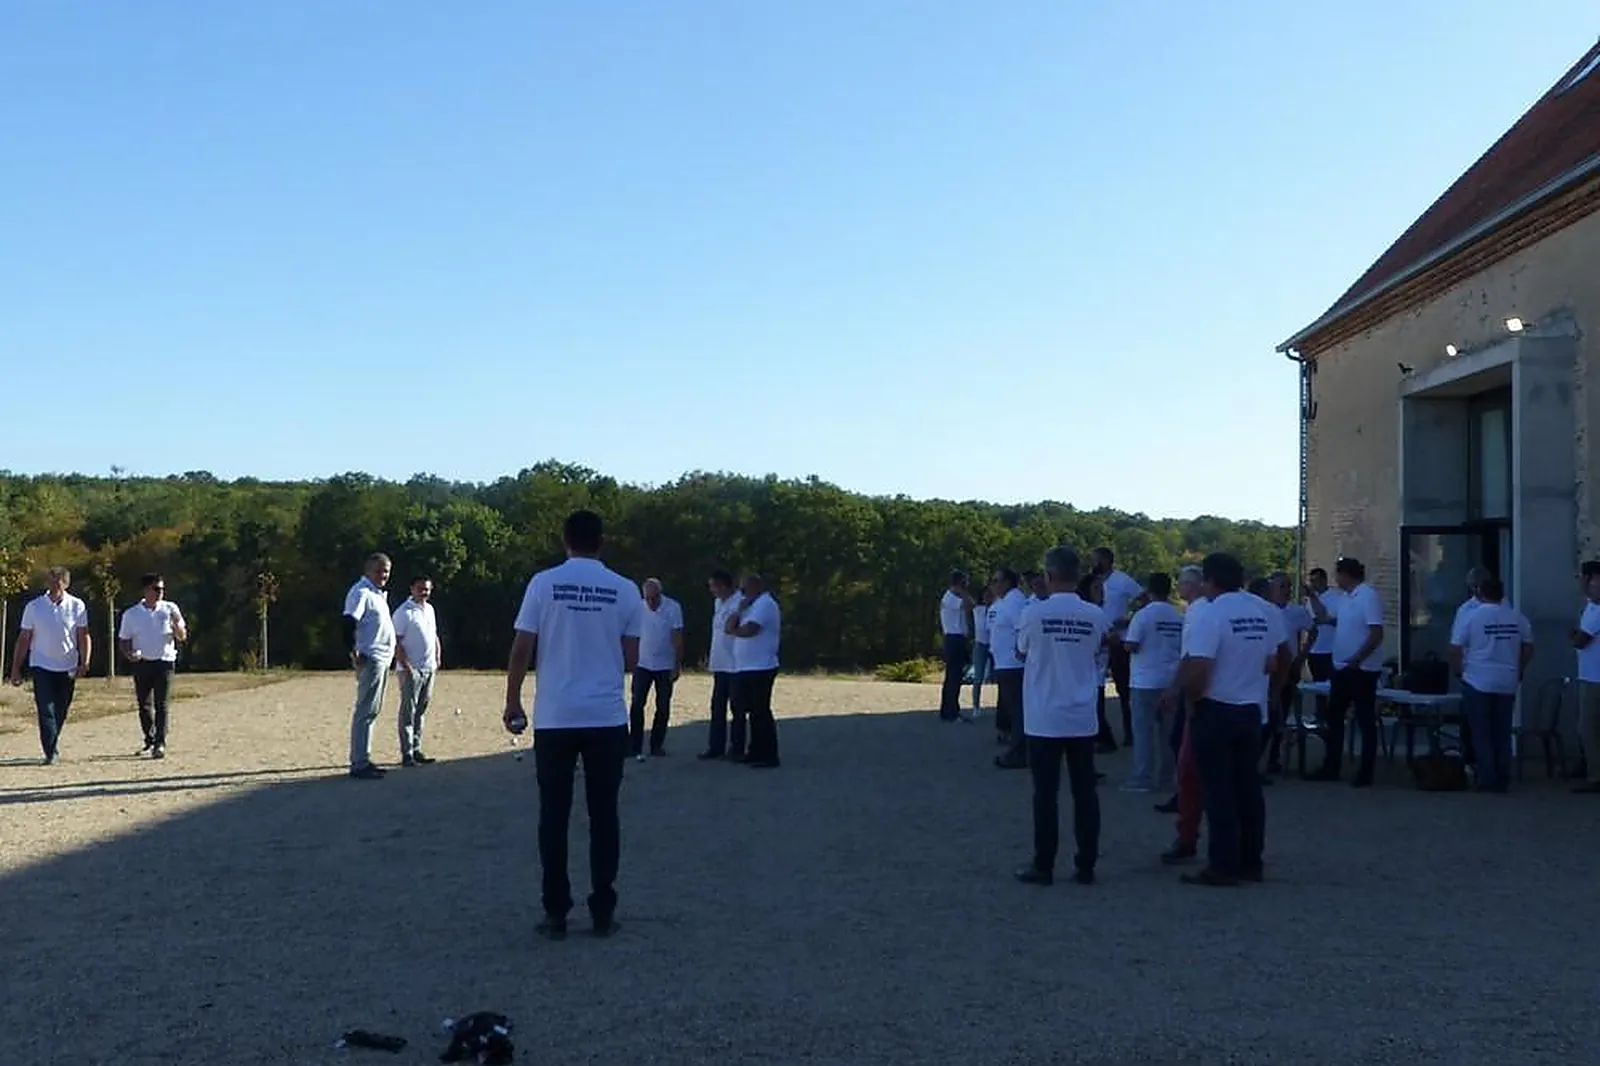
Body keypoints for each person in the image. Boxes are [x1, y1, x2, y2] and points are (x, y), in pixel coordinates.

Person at [505, 510, 642, 940]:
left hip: (556, 715)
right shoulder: (625, 589)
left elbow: (522, 646)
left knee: (554, 815)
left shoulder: (543, 583)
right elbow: (632, 658)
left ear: (565, 540)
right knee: (604, 814)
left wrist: (512, 700)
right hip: (605, 716)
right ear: (602, 541)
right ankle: (602, 909)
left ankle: (556, 912)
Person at [1177, 552, 1287, 886]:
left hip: (1217, 707)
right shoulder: (1261, 612)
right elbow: (1274, 661)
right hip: (1250, 708)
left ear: (1210, 580)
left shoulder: (1210, 614)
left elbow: (1199, 667)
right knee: (1248, 789)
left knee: (1218, 791)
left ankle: (1222, 864)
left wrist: (1192, 702)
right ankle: (1251, 861)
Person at [1013, 547, 1107, 887]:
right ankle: (1086, 865)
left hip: (1044, 715)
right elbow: (1098, 650)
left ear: (1049, 576)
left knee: (1045, 794)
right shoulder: (1095, 614)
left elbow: (1020, 650)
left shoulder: (1033, 613)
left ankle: (1044, 864)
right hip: (1081, 714)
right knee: (1085, 793)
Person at [1450, 575, 1532, 793]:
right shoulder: (1516, 616)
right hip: (1507, 680)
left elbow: (1456, 648)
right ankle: (1503, 778)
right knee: (1502, 733)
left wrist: (1459, 670)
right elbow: (1528, 645)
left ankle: (1487, 779)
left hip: (1478, 679)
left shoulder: (1472, 617)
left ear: (1480, 593)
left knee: (1481, 733)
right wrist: (1519, 668)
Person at [1312, 557, 1385, 786]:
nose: (1336, 579)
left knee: (1364, 719)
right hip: (1341, 667)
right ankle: (1331, 765)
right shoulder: (1344, 598)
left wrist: (1359, 658)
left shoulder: (1367, 596)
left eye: (1338, 574)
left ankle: (1366, 771)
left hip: (1362, 669)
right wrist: (1312, 597)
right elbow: (1327, 619)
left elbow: (1376, 632)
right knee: (1334, 716)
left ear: (1347, 575)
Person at [8, 566, 91, 765]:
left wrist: (85, 661)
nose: (54, 585)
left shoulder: (77, 606)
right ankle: (51, 751)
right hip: (41, 664)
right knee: (45, 708)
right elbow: (24, 638)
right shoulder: (34, 607)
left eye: (58, 581)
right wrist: (15, 668)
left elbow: (83, 635)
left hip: (67, 664)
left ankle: (52, 740)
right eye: (51, 580)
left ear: (66, 583)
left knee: (61, 708)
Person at [1159, 565, 1208, 861]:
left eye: (1184, 583)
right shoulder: (1198, 611)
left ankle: (1188, 830)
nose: (1179, 588)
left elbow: (1192, 658)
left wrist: (1178, 690)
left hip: (1200, 698)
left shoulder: (1199, 613)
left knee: (1187, 759)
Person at [1121, 572, 1183, 793]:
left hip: (1145, 680)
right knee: (1168, 733)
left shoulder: (1143, 615)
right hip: (1171, 679)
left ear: (1149, 590)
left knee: (1143, 732)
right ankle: (1167, 777)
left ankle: (1142, 777)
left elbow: (1132, 645)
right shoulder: (1178, 616)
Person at [116, 572, 188, 759]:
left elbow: (182, 636)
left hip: (165, 661)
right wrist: (129, 654)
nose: (160, 592)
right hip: (142, 663)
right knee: (144, 705)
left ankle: (160, 743)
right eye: (156, 589)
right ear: (146, 590)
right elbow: (123, 640)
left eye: (162, 589)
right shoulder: (132, 614)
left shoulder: (170, 609)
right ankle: (150, 738)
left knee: (161, 704)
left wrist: (177, 627)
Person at [343, 552, 396, 780]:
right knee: (365, 710)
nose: (383, 575)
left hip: (382, 658)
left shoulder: (377, 594)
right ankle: (359, 763)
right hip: (370, 657)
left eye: (386, 571)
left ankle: (364, 757)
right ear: (367, 570)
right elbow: (348, 622)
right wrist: (353, 650)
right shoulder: (361, 592)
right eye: (379, 570)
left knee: (372, 710)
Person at [727, 573, 782, 768]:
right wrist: (738, 611)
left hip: (761, 666)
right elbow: (728, 627)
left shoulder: (765, 604)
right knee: (750, 711)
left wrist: (735, 630)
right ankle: (755, 751)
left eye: (744, 589)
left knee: (761, 711)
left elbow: (750, 630)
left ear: (755, 587)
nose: (742, 593)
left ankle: (769, 755)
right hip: (745, 667)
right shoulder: (748, 606)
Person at [1092, 548, 1145, 748]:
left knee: (1124, 689)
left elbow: (1144, 600)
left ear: (1106, 560)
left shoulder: (1122, 580)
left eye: (1096, 560)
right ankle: (1101, 734)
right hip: (1099, 639)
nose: (1094, 563)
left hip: (1119, 639)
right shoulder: (1093, 581)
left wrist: (1130, 620)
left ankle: (1131, 732)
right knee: (1096, 687)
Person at [1264, 572, 1313, 777]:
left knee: (1281, 711)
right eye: (1281, 587)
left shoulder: (1296, 612)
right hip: (1267, 668)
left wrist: (1302, 656)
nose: (1285, 591)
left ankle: (1274, 757)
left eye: (1288, 587)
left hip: (1288, 667)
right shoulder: (1265, 610)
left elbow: (1313, 630)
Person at [630, 578, 684, 761]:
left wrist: (676, 665)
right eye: (648, 598)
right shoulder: (638, 608)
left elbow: (677, 637)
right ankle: (634, 745)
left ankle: (656, 745)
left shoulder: (673, 608)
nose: (651, 602)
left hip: (665, 664)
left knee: (663, 706)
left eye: (654, 598)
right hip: (642, 663)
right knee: (637, 704)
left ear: (661, 594)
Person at [392, 575, 442, 767]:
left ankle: (416, 748)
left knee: (421, 710)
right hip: (410, 670)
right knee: (408, 711)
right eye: (420, 589)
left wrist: (437, 656)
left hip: (429, 667)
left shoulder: (429, 609)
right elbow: (396, 642)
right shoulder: (403, 613)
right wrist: (406, 666)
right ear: (412, 588)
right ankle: (407, 753)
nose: (424, 592)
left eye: (427, 589)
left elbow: (434, 635)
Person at [699, 569, 745, 760]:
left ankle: (737, 748)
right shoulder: (718, 602)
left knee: (737, 708)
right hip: (719, 663)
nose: (712, 590)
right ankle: (715, 746)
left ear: (723, 585)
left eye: (713, 586)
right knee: (717, 707)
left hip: (735, 663)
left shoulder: (740, 601)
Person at [989, 568, 1029, 769]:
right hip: (1005, 664)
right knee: (1014, 710)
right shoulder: (1005, 602)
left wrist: (1020, 650)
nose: (993, 584)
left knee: (1017, 711)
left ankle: (1020, 753)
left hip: (1013, 665)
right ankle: (1019, 750)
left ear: (1007, 582)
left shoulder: (1014, 602)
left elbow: (1022, 627)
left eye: (996, 580)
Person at [938, 570, 973, 722]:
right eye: (964, 583)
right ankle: (950, 712)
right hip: (954, 638)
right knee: (953, 677)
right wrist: (963, 592)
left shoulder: (952, 598)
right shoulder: (951, 598)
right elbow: (970, 605)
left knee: (955, 677)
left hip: (956, 638)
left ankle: (949, 709)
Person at [970, 586, 993, 717]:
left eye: (989, 595)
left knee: (1001, 676)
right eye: (985, 595)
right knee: (978, 677)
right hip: (980, 644)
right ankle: (975, 706)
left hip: (994, 644)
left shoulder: (997, 609)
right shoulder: (977, 609)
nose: (987, 598)